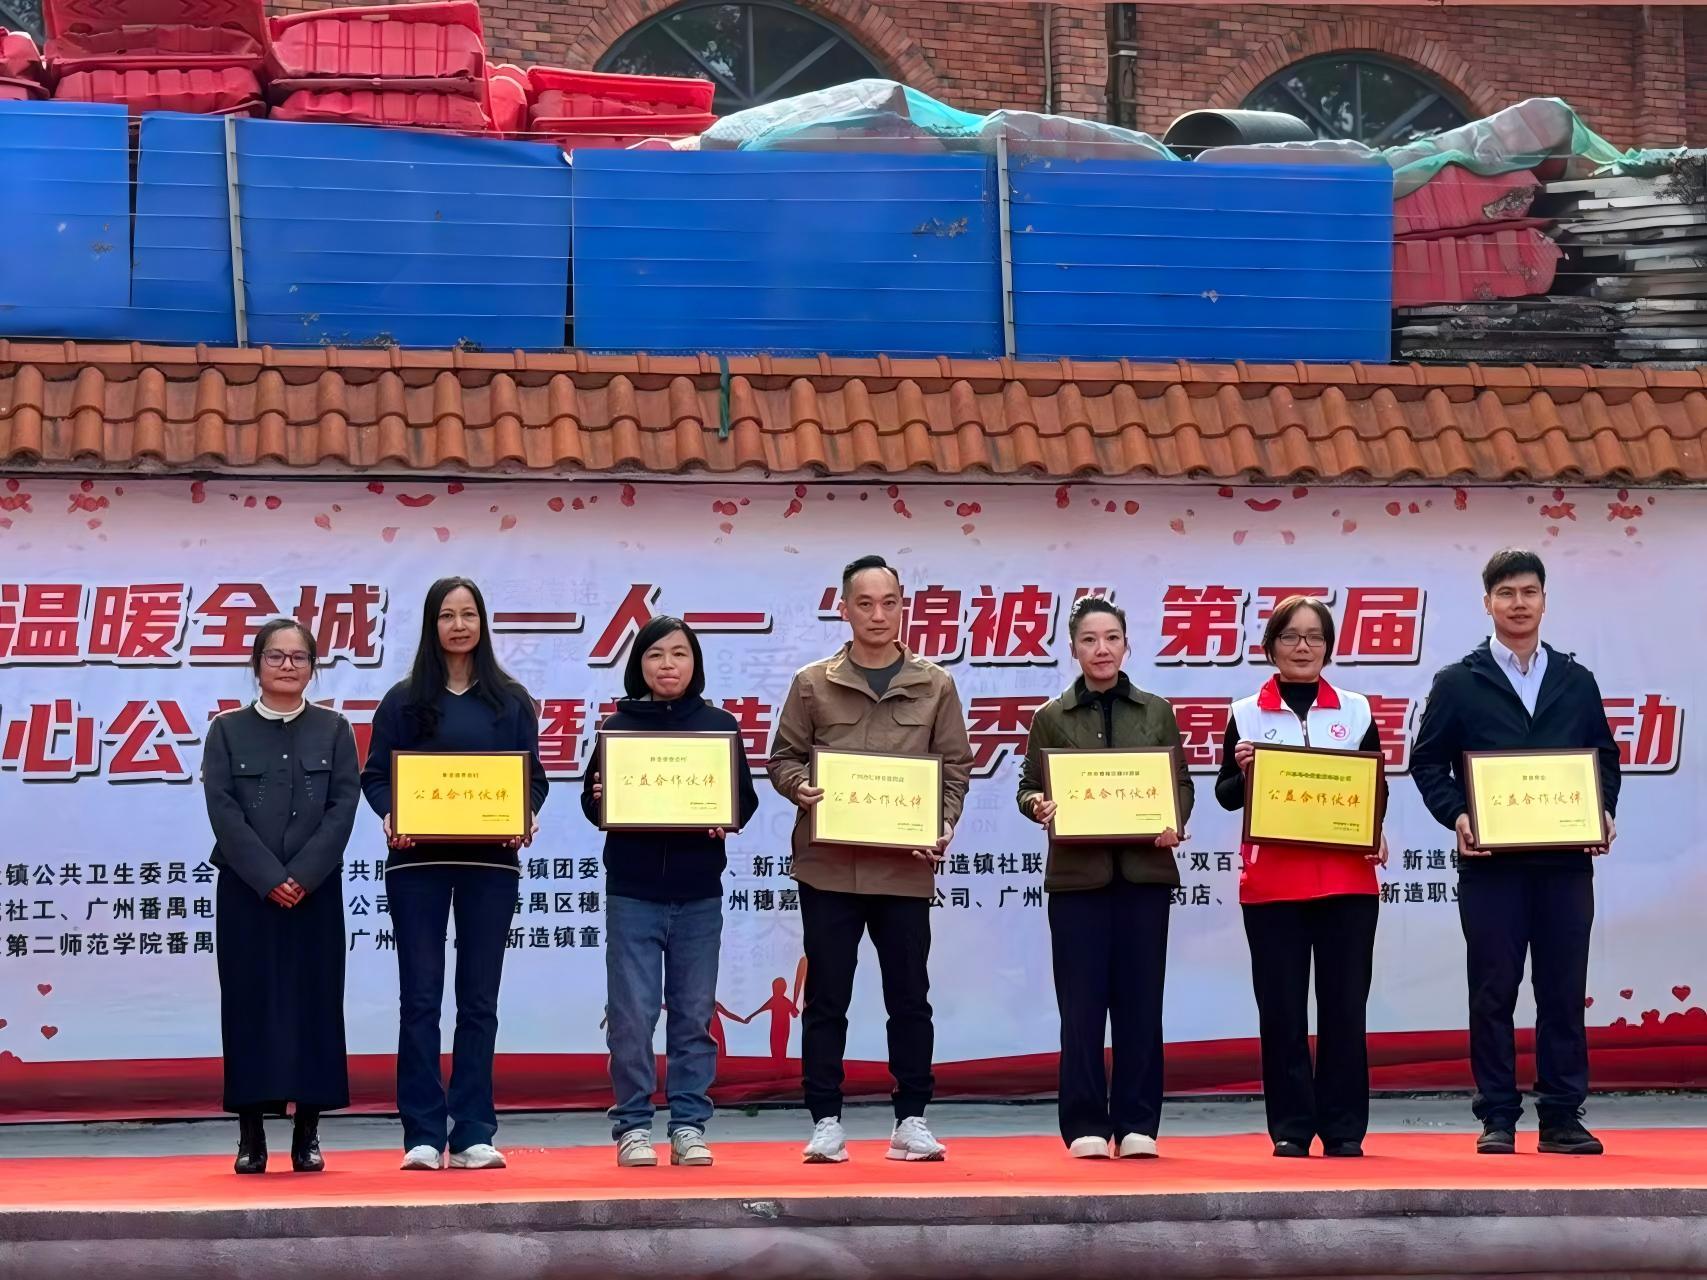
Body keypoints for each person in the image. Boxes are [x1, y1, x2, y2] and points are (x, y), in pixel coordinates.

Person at [1412, 549, 1619, 1157]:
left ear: (1544, 601)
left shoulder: (1576, 681)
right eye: (1506, 593)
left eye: (1529, 592)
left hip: (1564, 863)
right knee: (1493, 991)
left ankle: (1562, 1117)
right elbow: (1427, 762)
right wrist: (1458, 815)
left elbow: (1604, 755)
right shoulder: (1458, 681)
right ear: (1488, 603)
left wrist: (1603, 809)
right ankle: (1497, 1115)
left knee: (1563, 991)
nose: (1518, 603)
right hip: (1490, 867)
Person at [769, 554, 974, 1164]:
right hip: (828, 867)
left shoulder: (935, 684)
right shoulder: (813, 683)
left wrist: (942, 824)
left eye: (889, 602)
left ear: (903, 606)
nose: (878, 614)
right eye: (865, 603)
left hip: (903, 868)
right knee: (826, 998)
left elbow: (955, 768)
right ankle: (825, 1121)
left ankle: (911, 1118)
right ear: (844, 609)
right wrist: (800, 787)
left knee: (909, 998)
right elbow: (783, 758)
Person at [361, 576, 550, 1172]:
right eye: (447, 615)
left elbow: (534, 779)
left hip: (490, 865)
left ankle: (472, 1130)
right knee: (420, 998)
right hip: (416, 864)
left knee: (478, 1000)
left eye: (469, 614)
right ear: (431, 624)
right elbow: (375, 775)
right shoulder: (403, 700)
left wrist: (525, 814)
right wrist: (391, 814)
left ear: (483, 623)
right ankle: (421, 1132)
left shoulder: (510, 700)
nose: (459, 625)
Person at [1016, 596, 1193, 1160]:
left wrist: (1174, 819)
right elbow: (1028, 785)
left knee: (1141, 1004)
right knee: (1082, 1008)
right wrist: (1038, 804)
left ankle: (1139, 1122)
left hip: (1144, 878)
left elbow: (1180, 783)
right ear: (1073, 649)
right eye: (1090, 639)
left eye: (1111, 638)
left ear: (1126, 645)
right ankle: (1085, 1123)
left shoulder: (1156, 711)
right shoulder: (1051, 716)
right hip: (1077, 883)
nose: (1102, 649)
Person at [1214, 595, 1389, 1159]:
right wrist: (1244, 771)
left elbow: (1375, 788)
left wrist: (1375, 827)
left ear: (1329, 647)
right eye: (1290, 636)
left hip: (1348, 884)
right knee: (1282, 1011)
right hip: (1273, 886)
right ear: (1270, 647)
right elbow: (1224, 796)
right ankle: (1290, 1126)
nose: (1303, 647)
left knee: (1345, 1009)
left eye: (1315, 636)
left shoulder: (1356, 710)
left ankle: (1343, 1128)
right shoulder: (1246, 713)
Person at [582, 616, 759, 1169]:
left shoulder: (718, 726)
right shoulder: (617, 727)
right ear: (640, 664)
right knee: (631, 1017)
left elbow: (745, 800)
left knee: (693, 1016)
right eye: (655, 654)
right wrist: (602, 795)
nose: (667, 664)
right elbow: (591, 802)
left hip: (698, 894)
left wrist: (726, 815)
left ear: (694, 663)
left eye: (679, 654)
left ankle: (688, 1124)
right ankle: (633, 1125)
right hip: (632, 893)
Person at [202, 617, 361, 1175]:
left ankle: (307, 1132)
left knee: (315, 1006)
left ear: (313, 667)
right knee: (249, 1006)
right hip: (247, 892)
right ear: (257, 665)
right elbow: (223, 810)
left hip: (315, 892)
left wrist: (305, 875)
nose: (287, 666)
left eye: (299, 657)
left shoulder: (334, 729)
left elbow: (343, 807)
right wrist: (269, 877)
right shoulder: (226, 730)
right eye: (276, 656)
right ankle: (250, 1134)